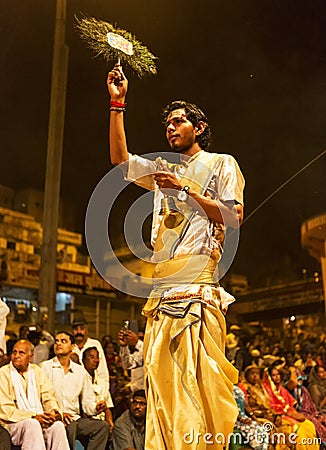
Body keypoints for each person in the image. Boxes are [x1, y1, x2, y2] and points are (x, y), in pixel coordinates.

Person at [107, 64, 245, 449]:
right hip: (161, 294)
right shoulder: (162, 170)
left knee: (192, 394)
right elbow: (120, 160)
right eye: (167, 123)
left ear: (198, 127)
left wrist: (184, 193)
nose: (170, 127)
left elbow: (233, 216)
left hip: (197, 295)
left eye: (179, 121)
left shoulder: (221, 164)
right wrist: (117, 102)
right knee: (162, 395)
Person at [40, 331, 110, 450]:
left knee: (102, 426)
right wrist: (59, 414)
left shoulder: (80, 371)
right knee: (70, 427)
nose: (58, 344)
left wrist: (96, 408)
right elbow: (40, 397)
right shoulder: (44, 367)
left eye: (63, 341)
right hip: (54, 417)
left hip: (75, 418)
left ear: (72, 347)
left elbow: (87, 401)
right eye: (56, 341)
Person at [0, 339, 69, 450]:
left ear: (30, 357)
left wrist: (53, 413)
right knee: (32, 424)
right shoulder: (3, 373)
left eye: (21, 353)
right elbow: (5, 409)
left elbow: (48, 397)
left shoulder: (37, 371)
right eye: (14, 352)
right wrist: (33, 416)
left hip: (38, 418)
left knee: (58, 426)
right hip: (13, 424)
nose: (16, 356)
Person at [262, 364, 319, 450]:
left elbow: (290, 406)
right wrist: (291, 415)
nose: (277, 377)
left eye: (278, 374)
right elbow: (271, 407)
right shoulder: (266, 391)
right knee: (299, 431)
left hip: (289, 414)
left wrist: (297, 415)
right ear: (269, 376)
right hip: (279, 416)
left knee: (309, 425)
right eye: (274, 375)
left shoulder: (281, 389)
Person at [82, 346, 114, 432]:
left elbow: (108, 408)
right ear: (84, 360)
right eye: (92, 357)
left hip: (103, 422)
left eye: (97, 357)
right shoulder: (79, 379)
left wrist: (112, 426)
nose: (96, 360)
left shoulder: (102, 382)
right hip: (87, 422)